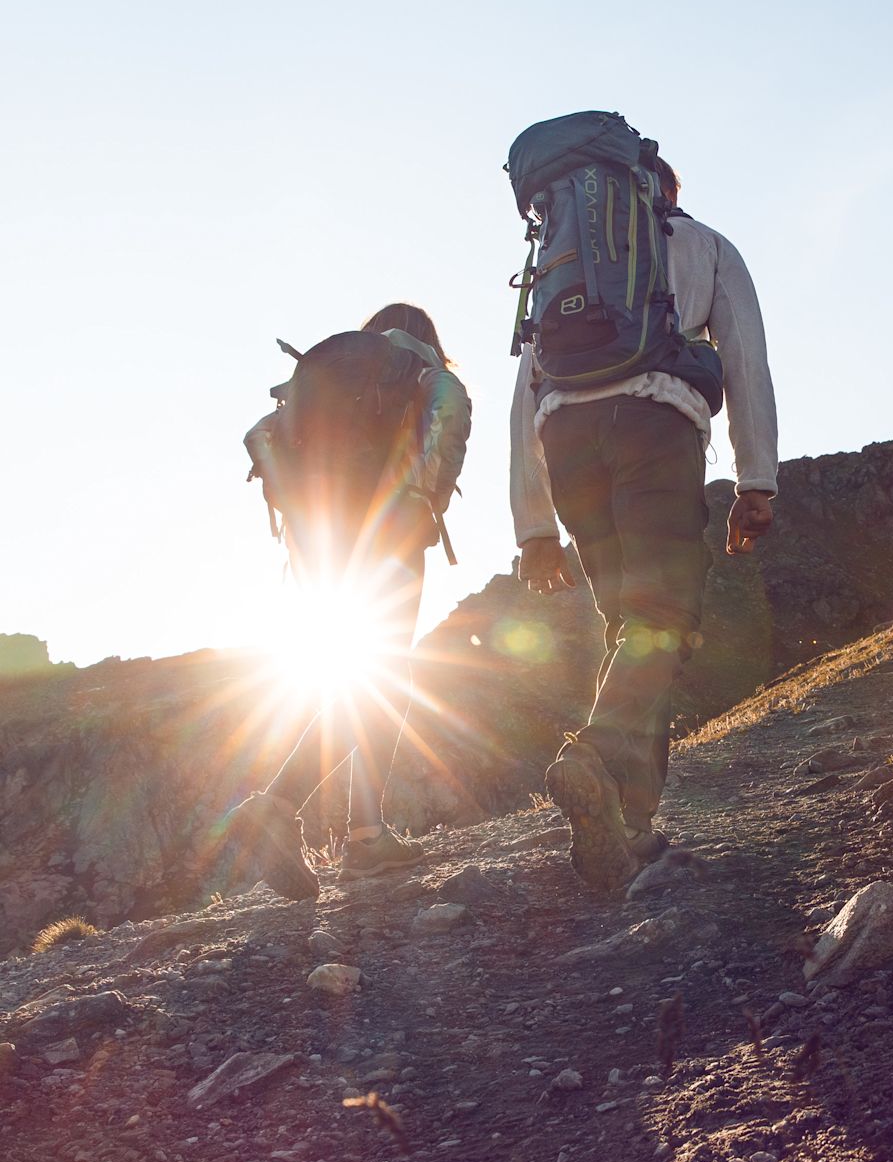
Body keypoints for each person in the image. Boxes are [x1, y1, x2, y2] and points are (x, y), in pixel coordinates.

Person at [510, 153, 778, 893]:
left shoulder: (559, 258)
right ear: (664, 190)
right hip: (654, 425)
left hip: (566, 436)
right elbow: (746, 358)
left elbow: (526, 385)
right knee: (662, 617)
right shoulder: (704, 245)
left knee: (633, 626)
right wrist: (756, 480)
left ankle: (630, 823)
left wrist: (533, 528)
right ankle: (597, 754)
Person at [223, 303, 472, 899]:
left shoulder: (330, 378)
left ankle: (358, 834)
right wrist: (424, 498)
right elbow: (453, 408)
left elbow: (258, 434)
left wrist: (293, 506)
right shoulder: (420, 368)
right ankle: (301, 813)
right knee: (383, 681)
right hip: (387, 532)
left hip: (317, 540)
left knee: (361, 682)